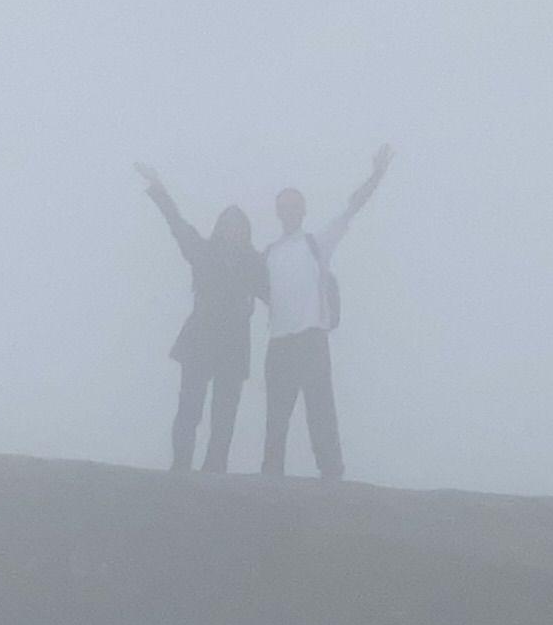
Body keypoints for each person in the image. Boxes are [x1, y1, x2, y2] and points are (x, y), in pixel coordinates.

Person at [259, 145, 394, 480]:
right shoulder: (269, 254)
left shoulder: (316, 243)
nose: (288, 212)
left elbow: (352, 207)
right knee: (276, 415)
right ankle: (270, 475)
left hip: (311, 339)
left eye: (293, 206)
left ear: (302, 211)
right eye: (283, 207)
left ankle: (331, 472)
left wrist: (377, 174)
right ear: (278, 213)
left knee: (320, 411)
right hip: (278, 343)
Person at [135, 164, 267, 474]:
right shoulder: (203, 252)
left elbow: (278, 292)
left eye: (239, 226)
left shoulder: (254, 265)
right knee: (189, 409)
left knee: (224, 414)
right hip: (200, 339)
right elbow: (176, 222)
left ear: (246, 232)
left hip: (233, 345)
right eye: (228, 224)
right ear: (219, 228)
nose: (233, 230)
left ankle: (215, 470)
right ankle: (180, 467)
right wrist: (158, 187)